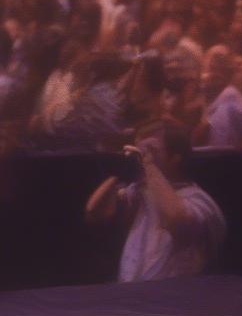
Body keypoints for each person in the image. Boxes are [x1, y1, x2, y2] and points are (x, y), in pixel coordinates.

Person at [85, 119, 226, 282]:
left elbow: (176, 220)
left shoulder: (199, 199)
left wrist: (148, 163)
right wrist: (117, 172)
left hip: (174, 298)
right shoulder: (140, 190)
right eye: (140, 149)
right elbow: (94, 212)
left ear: (175, 158)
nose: (142, 155)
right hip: (131, 294)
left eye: (152, 149)